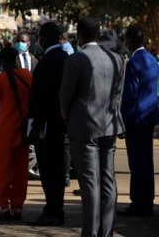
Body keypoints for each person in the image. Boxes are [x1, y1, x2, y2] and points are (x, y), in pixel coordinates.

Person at [59, 17, 125, 237]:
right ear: (99, 34)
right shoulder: (117, 59)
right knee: (108, 181)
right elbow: (117, 94)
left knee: (90, 184)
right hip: (109, 125)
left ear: (79, 35)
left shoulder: (76, 59)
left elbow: (65, 98)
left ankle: (91, 233)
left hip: (84, 127)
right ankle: (106, 232)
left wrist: (69, 118)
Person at [26, 22, 70, 226]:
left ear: (43, 39)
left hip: (47, 126)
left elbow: (43, 97)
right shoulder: (65, 58)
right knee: (57, 170)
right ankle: (55, 208)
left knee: (49, 169)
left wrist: (36, 126)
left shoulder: (47, 61)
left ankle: (52, 210)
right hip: (61, 124)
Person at [117, 25, 159, 217]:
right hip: (149, 117)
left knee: (136, 163)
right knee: (147, 162)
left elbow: (130, 96)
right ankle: (147, 200)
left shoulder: (133, 63)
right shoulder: (152, 60)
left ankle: (138, 203)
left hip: (135, 119)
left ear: (130, 41)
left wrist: (122, 121)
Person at [0, 47, 31, 221]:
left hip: (6, 129)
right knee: (20, 170)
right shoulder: (27, 75)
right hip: (23, 128)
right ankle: (17, 207)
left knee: (3, 170)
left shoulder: (0, 78)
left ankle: (3, 206)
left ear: (2, 62)